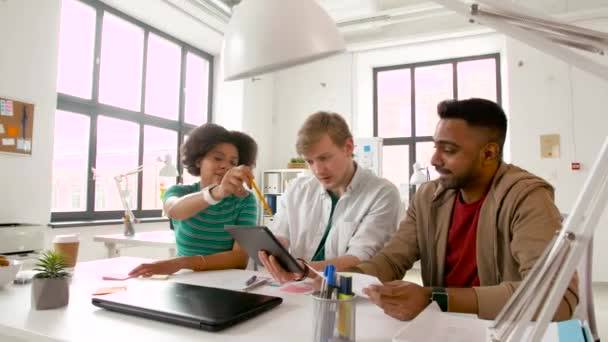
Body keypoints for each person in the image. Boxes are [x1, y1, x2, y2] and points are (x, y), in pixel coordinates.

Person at [353, 98, 578, 321]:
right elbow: (392, 259)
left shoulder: (527, 197)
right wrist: (348, 279)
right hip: (443, 327)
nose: (434, 160)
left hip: (500, 328)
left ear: (488, 154)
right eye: (435, 147)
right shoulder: (427, 197)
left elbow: (557, 298)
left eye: (448, 150)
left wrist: (436, 299)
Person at [258, 111, 401, 283]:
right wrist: (277, 248)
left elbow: (360, 259)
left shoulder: (382, 194)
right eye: (310, 161)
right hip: (298, 289)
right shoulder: (297, 189)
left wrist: (305, 270)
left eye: (324, 158)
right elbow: (280, 234)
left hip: (350, 295)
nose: (318, 170)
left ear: (348, 147)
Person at [128, 124, 259, 277]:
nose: (225, 166)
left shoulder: (244, 200)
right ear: (198, 161)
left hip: (228, 282)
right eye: (217, 158)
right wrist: (216, 193)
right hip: (186, 281)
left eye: (233, 163)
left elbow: (239, 259)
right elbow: (174, 210)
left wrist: (181, 263)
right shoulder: (179, 192)